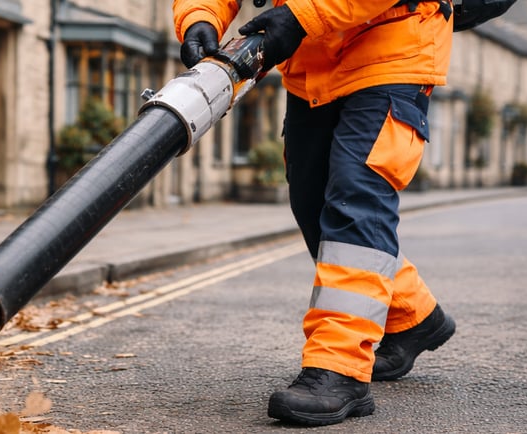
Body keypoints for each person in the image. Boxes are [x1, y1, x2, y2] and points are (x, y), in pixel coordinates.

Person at [173, 0, 458, 426]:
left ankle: (339, 369)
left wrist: (300, 15)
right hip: (312, 64)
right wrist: (200, 18)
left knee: (354, 201)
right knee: (314, 206)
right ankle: (413, 316)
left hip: (391, 50)